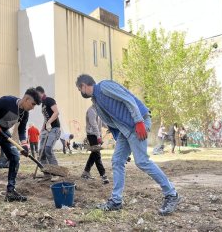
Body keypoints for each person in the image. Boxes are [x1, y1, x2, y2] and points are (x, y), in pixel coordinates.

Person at [75, 74, 181, 215]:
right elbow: (113, 123)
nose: (81, 92)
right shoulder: (96, 101)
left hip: (138, 123)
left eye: (79, 89)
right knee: (117, 160)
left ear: (83, 85)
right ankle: (116, 201)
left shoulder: (104, 86)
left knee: (142, 161)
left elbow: (128, 99)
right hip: (126, 130)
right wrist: (122, 146)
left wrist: (138, 121)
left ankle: (172, 194)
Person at [0, 88, 41, 207]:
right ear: (26, 99)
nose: (33, 107)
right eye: (33, 104)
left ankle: (10, 192)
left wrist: (24, 144)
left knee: (15, 157)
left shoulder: (25, 113)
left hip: (4, 133)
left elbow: (22, 129)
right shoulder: (8, 101)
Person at [82, 104, 109, 184]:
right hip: (92, 135)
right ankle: (103, 175)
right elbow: (94, 125)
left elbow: (103, 123)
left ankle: (86, 172)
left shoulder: (98, 110)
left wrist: (110, 127)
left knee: (94, 155)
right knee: (97, 155)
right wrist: (98, 137)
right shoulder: (91, 111)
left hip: (97, 135)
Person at [35, 86, 61, 170]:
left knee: (48, 149)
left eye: (36, 95)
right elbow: (45, 119)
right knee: (41, 152)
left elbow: (56, 112)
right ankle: (46, 173)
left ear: (40, 93)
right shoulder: (43, 104)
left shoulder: (49, 100)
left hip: (54, 129)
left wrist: (49, 122)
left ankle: (56, 171)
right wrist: (42, 129)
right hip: (46, 130)